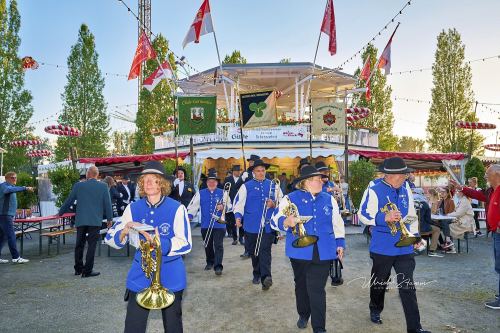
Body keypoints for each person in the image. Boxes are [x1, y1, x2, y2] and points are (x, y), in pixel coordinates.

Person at [105, 161, 192, 332]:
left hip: (170, 273)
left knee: (173, 326)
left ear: (162, 183)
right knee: (133, 326)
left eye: (154, 179)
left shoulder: (177, 208)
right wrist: (124, 231)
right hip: (140, 273)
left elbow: (186, 243)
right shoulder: (133, 208)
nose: (149, 183)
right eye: (145, 179)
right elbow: (109, 237)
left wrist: (161, 243)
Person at [359, 157, 431, 333]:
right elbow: (362, 214)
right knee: (380, 283)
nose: (403, 178)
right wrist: (383, 218)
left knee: (408, 286)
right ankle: (375, 308)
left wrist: (414, 236)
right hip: (382, 245)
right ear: (388, 175)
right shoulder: (374, 188)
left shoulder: (405, 186)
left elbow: (411, 214)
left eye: (404, 175)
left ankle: (415, 328)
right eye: (399, 176)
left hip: (405, 244)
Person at [272, 165, 345, 333]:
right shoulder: (290, 198)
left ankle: (319, 328)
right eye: (316, 179)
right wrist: (285, 221)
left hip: (324, 249)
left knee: (317, 289)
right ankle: (304, 313)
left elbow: (337, 223)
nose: (321, 181)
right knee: (301, 285)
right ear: (305, 182)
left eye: (321, 178)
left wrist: (340, 243)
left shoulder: (329, 199)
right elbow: (274, 220)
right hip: (298, 251)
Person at [450, 165, 500, 309]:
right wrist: (462, 188)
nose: (485, 177)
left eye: (487, 174)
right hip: (496, 233)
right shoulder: (491, 191)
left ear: (496, 174)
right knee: (498, 266)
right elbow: (477, 195)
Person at [233, 159, 283, 290]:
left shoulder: (273, 185)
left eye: (263, 171)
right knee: (254, 252)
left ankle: (266, 277)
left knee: (265, 251)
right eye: (258, 171)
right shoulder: (246, 186)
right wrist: (238, 217)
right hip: (251, 225)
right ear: (253, 172)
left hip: (268, 225)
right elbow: (238, 203)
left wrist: (274, 204)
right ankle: (257, 273)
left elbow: (283, 202)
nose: (261, 173)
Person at [58, 166, 113, 277]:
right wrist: (109, 219)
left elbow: (69, 200)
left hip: (81, 219)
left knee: (79, 245)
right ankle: (87, 271)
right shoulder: (103, 186)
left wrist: (60, 213)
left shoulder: (78, 185)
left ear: (88, 174)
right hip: (95, 220)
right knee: (92, 245)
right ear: (97, 175)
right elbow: (108, 204)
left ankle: (78, 269)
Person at [187, 170, 230, 275]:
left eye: (213, 181)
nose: (211, 183)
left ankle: (218, 266)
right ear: (206, 182)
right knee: (208, 244)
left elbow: (230, 206)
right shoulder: (200, 193)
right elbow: (193, 206)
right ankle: (210, 262)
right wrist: (189, 216)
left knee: (218, 245)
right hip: (206, 224)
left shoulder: (223, 192)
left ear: (216, 182)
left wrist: (223, 207)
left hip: (219, 224)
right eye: (209, 181)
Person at [0, 172, 34, 264]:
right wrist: (25, 188)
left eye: (15, 178)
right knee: (11, 235)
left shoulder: (10, 187)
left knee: (3, 237)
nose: (15, 179)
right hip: (5, 215)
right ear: (6, 178)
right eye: (12, 178)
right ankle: (16, 257)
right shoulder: (4, 186)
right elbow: (7, 190)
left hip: (5, 215)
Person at [412, 188, 443, 258]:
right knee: (437, 229)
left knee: (433, 228)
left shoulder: (410, 203)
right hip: (422, 228)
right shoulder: (425, 204)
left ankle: (421, 246)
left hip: (412, 228)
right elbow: (428, 220)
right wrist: (437, 224)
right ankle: (432, 250)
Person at [223, 165, 244, 246]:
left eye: (239, 171)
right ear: (233, 172)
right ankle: (235, 238)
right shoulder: (228, 179)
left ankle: (241, 238)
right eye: (236, 171)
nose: (238, 172)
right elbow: (225, 191)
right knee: (232, 222)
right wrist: (228, 203)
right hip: (231, 202)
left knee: (241, 221)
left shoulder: (242, 179)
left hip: (240, 202)